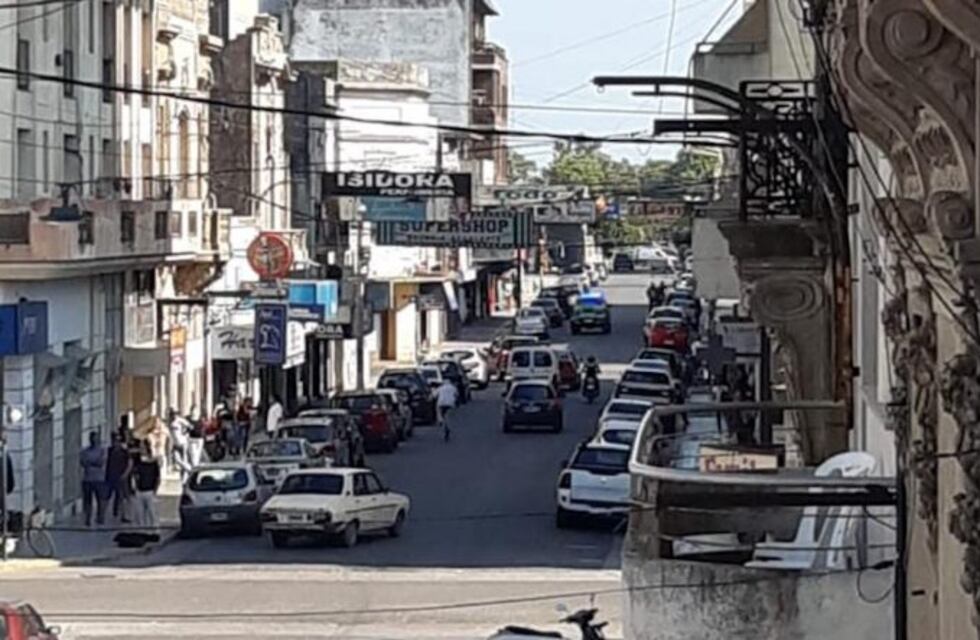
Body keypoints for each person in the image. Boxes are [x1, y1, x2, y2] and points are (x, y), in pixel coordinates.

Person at [104, 433, 133, 522]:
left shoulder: (124, 452)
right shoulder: (109, 451)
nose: (116, 443)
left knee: (122, 497)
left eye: (118, 441)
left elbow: (129, 463)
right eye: (115, 441)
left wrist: (125, 474)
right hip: (110, 477)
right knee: (106, 497)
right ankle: (102, 516)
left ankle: (123, 515)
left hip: (121, 477)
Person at [79, 431, 107, 527]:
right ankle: (88, 518)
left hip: (99, 479)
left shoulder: (102, 450)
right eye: (92, 438)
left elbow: (100, 463)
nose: (94, 440)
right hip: (87, 479)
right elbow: (83, 463)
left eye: (95, 438)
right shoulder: (84, 451)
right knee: (87, 500)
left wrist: (90, 463)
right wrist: (93, 462)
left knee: (101, 499)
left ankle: (100, 518)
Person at [132, 442, 161, 530]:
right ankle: (141, 530)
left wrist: (155, 490)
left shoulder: (153, 463)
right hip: (139, 490)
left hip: (149, 490)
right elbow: (135, 475)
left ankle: (154, 529)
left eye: (143, 448)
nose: (141, 450)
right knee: (139, 513)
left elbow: (157, 477)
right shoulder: (137, 462)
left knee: (152, 512)